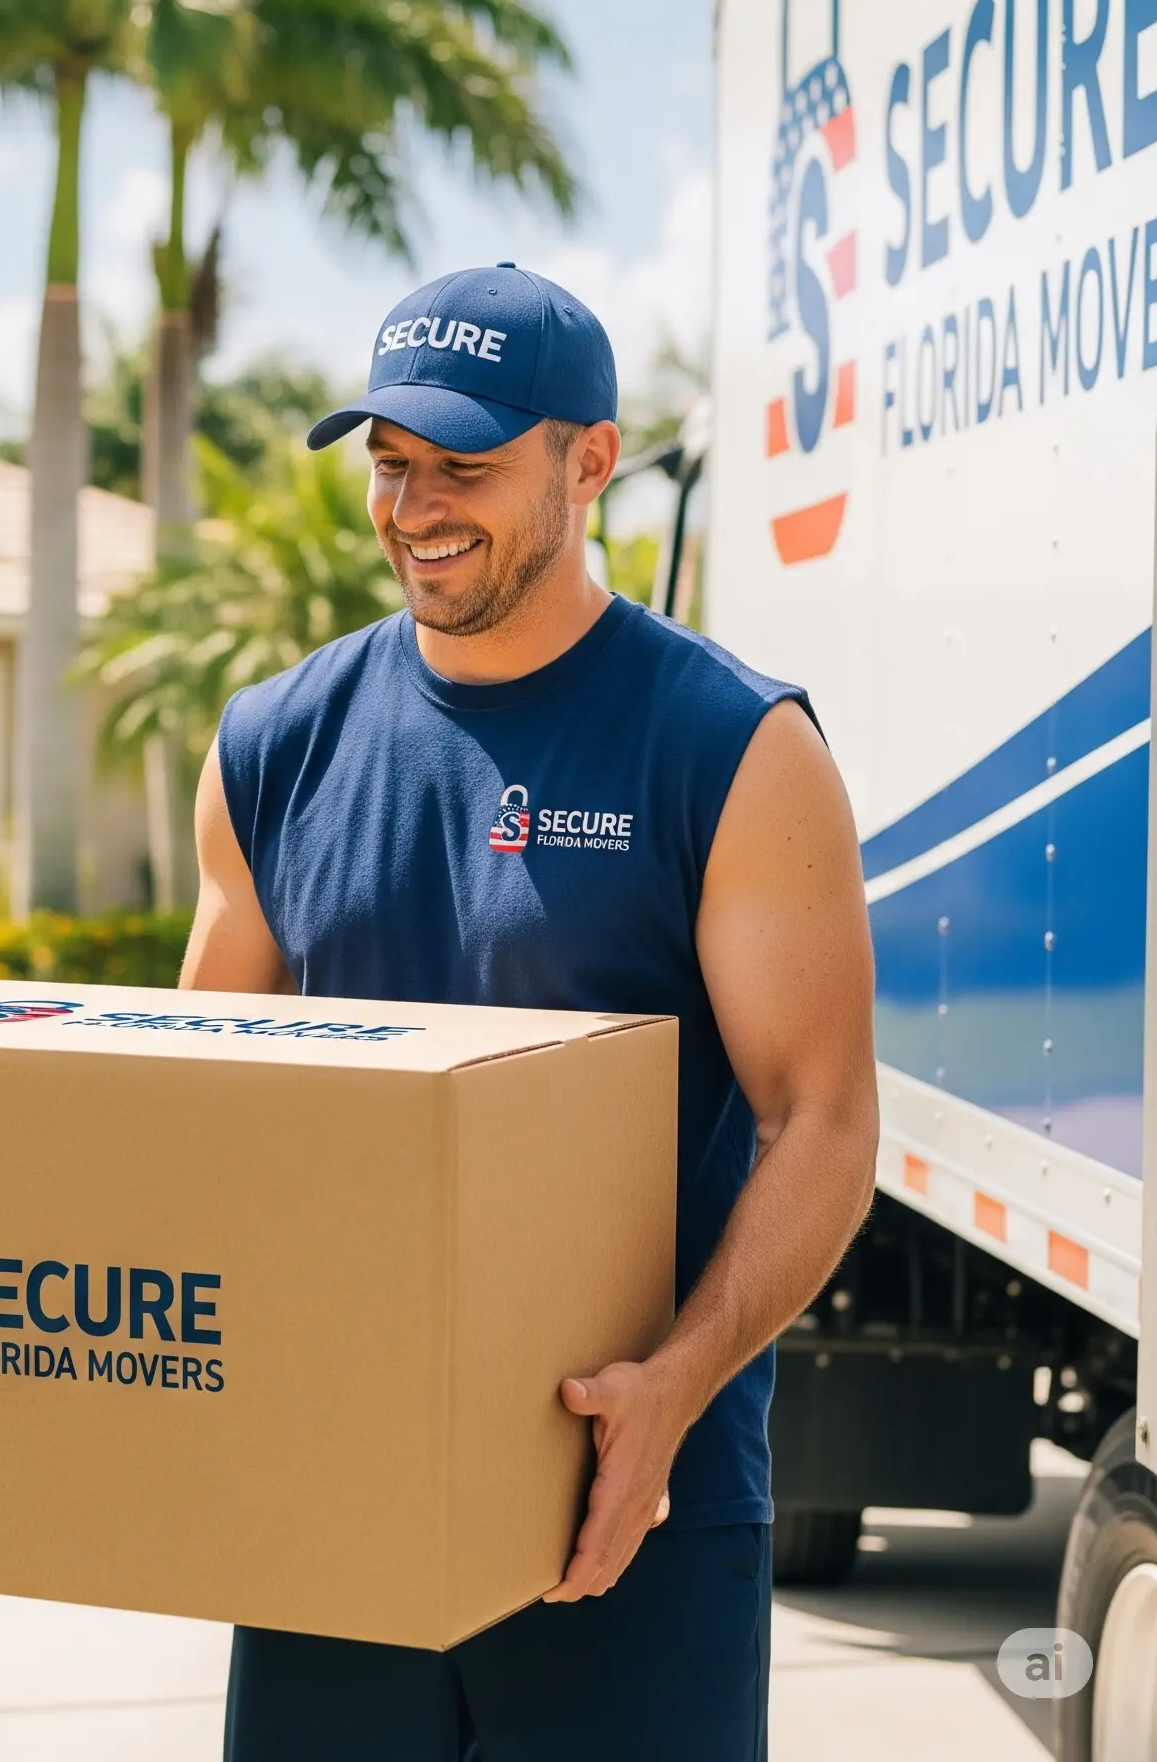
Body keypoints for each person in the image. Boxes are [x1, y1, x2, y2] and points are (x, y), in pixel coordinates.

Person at [183, 264, 879, 1761]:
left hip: (631, 1499)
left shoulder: (727, 745)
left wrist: (675, 1391)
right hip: (335, 1498)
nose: (414, 505)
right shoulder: (274, 745)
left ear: (592, 461)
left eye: (466, 465)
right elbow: (202, 1107)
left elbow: (821, 1125)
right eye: (390, 462)